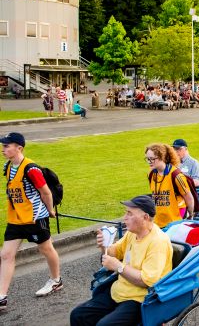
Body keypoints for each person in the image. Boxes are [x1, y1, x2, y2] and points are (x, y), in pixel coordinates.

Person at [69, 196, 173, 326]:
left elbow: (147, 281)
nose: (125, 217)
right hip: (119, 291)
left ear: (145, 217)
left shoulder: (158, 242)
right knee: (78, 315)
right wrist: (104, 245)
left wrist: (118, 266)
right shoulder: (132, 233)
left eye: (130, 213)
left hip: (140, 299)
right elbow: (115, 252)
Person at [0, 132, 62, 309]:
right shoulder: (8, 167)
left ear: (19, 148)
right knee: (6, 254)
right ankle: (1, 296)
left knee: (46, 248)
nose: (3, 149)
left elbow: (46, 192)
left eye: (6, 146)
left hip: (35, 217)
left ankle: (56, 280)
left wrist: (49, 210)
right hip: (15, 219)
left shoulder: (31, 169)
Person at [146, 144, 194, 228]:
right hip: (159, 217)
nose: (149, 162)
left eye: (152, 159)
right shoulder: (151, 174)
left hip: (175, 217)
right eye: (147, 159)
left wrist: (190, 214)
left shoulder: (176, 175)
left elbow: (188, 197)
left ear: (162, 157)